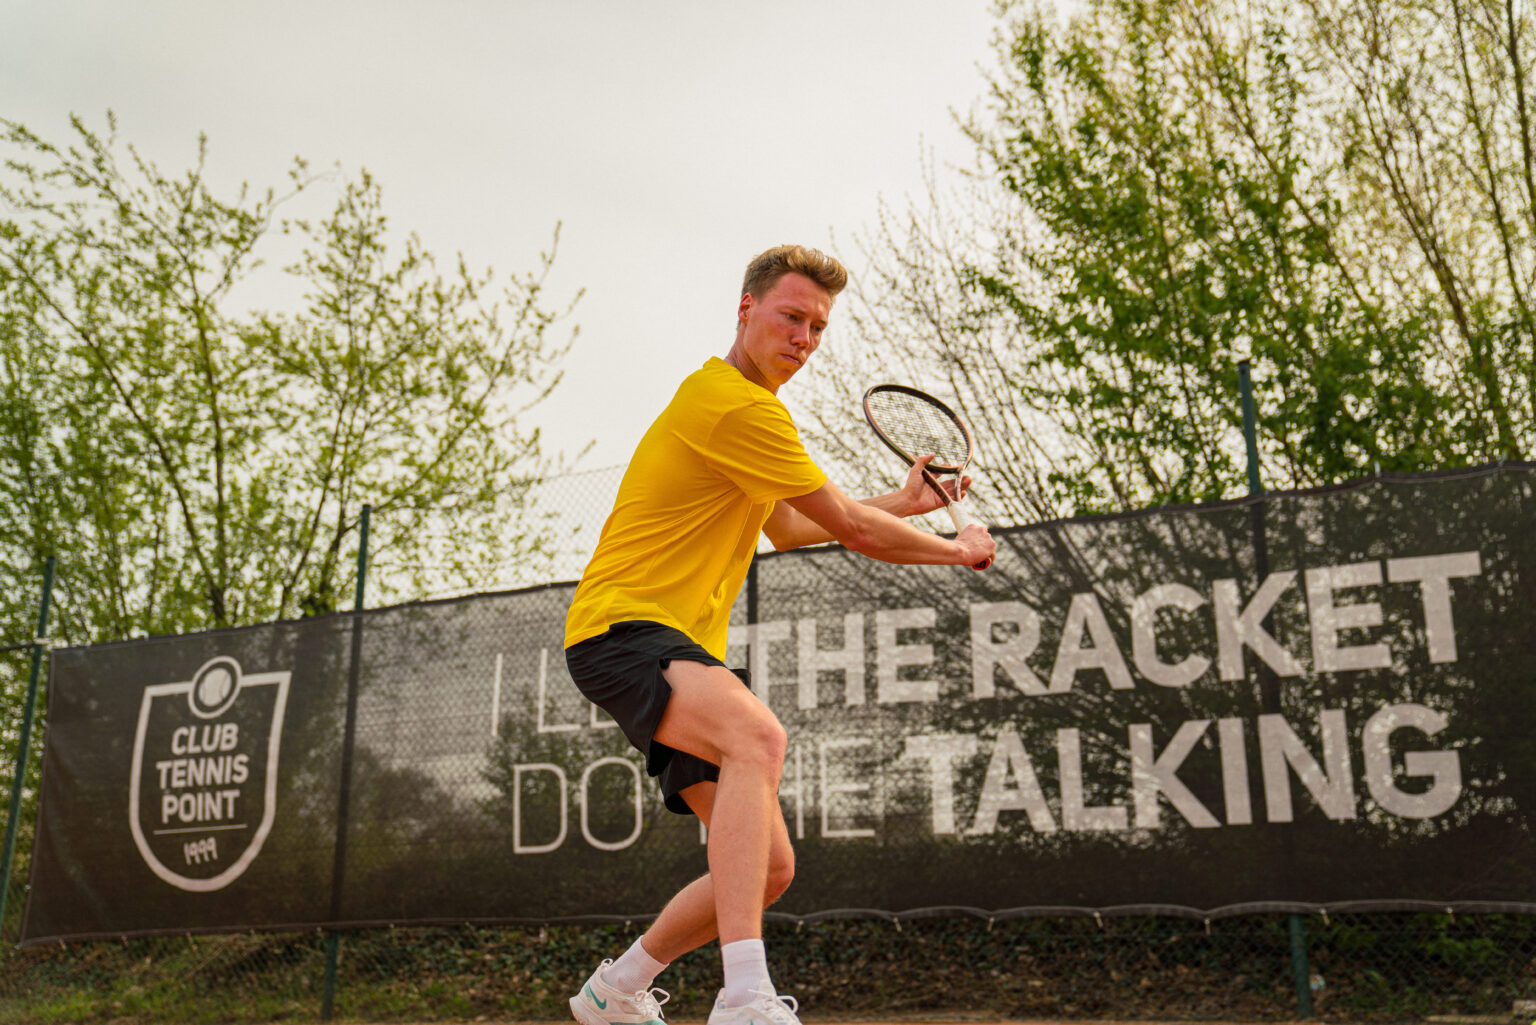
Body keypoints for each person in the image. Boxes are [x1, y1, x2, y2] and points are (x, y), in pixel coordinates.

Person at [564, 244, 995, 1025]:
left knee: (767, 867)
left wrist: (907, 504)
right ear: (746, 309)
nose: (803, 337)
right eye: (792, 316)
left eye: (818, 327)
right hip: (623, 626)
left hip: (662, 641)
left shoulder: (748, 415)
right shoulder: (732, 404)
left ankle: (616, 990)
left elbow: (795, 527)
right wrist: (956, 548)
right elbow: (850, 532)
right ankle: (744, 999)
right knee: (757, 736)